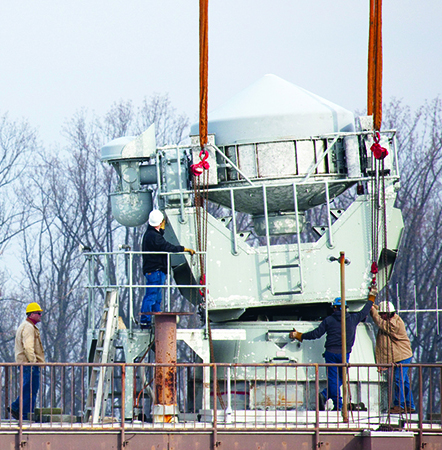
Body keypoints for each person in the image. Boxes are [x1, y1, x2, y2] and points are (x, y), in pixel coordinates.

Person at [289, 286, 377, 411]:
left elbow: (316, 334)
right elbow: (365, 311)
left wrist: (300, 336)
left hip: (331, 353)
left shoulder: (329, 320)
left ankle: (326, 396)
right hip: (344, 354)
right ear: (346, 308)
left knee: (335, 379)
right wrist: (371, 297)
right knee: (339, 378)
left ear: (334, 308)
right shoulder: (353, 319)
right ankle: (338, 405)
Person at [140, 210, 195, 329]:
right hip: (156, 271)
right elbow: (166, 246)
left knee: (157, 297)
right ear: (161, 222)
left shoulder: (150, 235)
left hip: (155, 271)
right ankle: (145, 321)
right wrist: (183, 249)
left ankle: (155, 320)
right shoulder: (154, 236)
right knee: (151, 296)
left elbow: (161, 243)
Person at [370, 300, 415, 413]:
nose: (380, 315)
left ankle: (399, 405)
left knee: (398, 379)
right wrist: (371, 304)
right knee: (404, 381)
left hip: (402, 356)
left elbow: (379, 321)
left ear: (387, 314)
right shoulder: (391, 318)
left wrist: (371, 310)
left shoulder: (393, 324)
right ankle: (410, 405)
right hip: (400, 355)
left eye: (382, 314)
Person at [9, 302, 45, 420]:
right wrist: (33, 362)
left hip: (26, 363)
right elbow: (28, 347)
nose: (40, 315)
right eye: (38, 313)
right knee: (31, 390)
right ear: (31, 314)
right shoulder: (28, 327)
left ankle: (20, 410)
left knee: (28, 388)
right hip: (29, 364)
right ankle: (24, 413)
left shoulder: (27, 326)